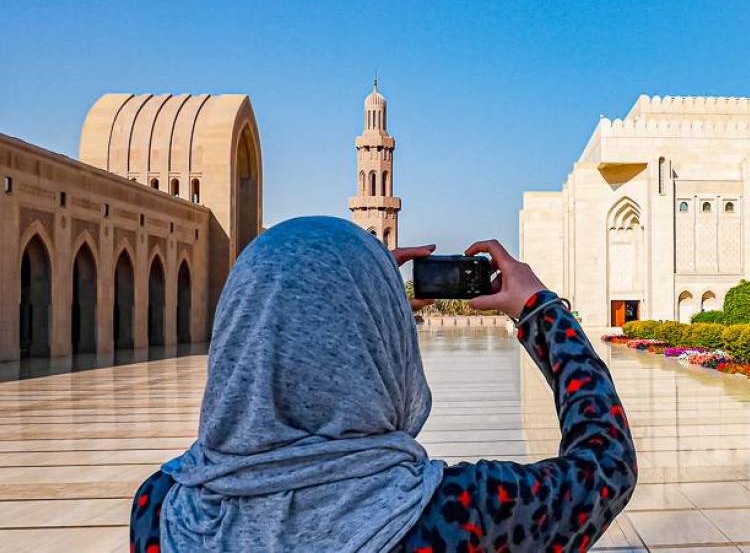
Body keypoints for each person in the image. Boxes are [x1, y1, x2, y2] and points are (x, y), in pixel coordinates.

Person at [129, 217, 636, 552]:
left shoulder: (163, 511)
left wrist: (358, 298)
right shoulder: (458, 514)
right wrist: (540, 310)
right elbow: (607, 464)